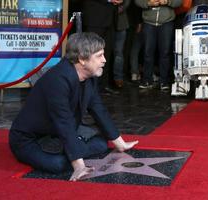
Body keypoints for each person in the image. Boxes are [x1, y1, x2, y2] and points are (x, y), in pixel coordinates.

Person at [9, 32, 138, 181]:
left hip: (55, 134)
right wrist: (79, 166)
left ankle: (68, 150)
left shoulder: (89, 76)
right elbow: (63, 121)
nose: (104, 60)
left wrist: (119, 143)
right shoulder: (58, 79)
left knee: (102, 144)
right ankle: (70, 153)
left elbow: (98, 108)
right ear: (82, 59)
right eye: (99, 56)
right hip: (29, 139)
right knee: (57, 164)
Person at [135, 0, 182, 92]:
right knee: (148, 53)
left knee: (165, 53)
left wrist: (167, 1)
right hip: (148, 22)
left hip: (166, 22)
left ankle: (164, 82)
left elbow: (179, 2)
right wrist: (148, 3)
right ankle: (147, 80)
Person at [81, 0, 123, 94]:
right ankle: (90, 86)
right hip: (95, 18)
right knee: (92, 54)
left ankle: (103, 85)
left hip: (110, 20)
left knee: (106, 54)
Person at [113, 0, 131, 88]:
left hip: (120, 22)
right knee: (103, 51)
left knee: (118, 52)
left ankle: (118, 77)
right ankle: (103, 79)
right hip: (104, 19)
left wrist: (121, 8)